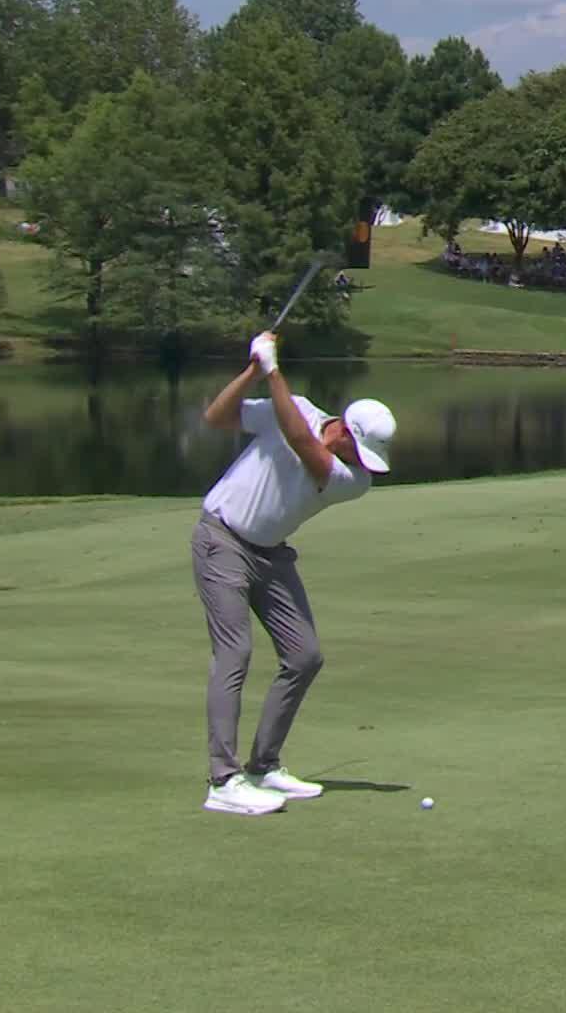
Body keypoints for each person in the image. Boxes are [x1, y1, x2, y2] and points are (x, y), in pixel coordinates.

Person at [192, 330, 398, 816]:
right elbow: (216, 417)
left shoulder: (351, 480)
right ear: (345, 430)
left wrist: (275, 370)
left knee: (304, 655)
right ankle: (223, 779)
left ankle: (264, 765)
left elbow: (303, 442)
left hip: (271, 554)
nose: (362, 464)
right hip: (221, 540)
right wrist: (254, 370)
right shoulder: (296, 406)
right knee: (234, 652)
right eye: (359, 451)